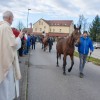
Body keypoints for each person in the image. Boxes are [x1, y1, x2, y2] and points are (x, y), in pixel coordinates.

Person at [0, 11, 23, 100]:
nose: (12, 20)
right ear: (9, 18)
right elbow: (14, 45)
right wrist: (19, 37)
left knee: (3, 86)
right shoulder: (6, 28)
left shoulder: (1, 26)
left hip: (2, 58)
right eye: (12, 18)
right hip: (7, 62)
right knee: (7, 85)